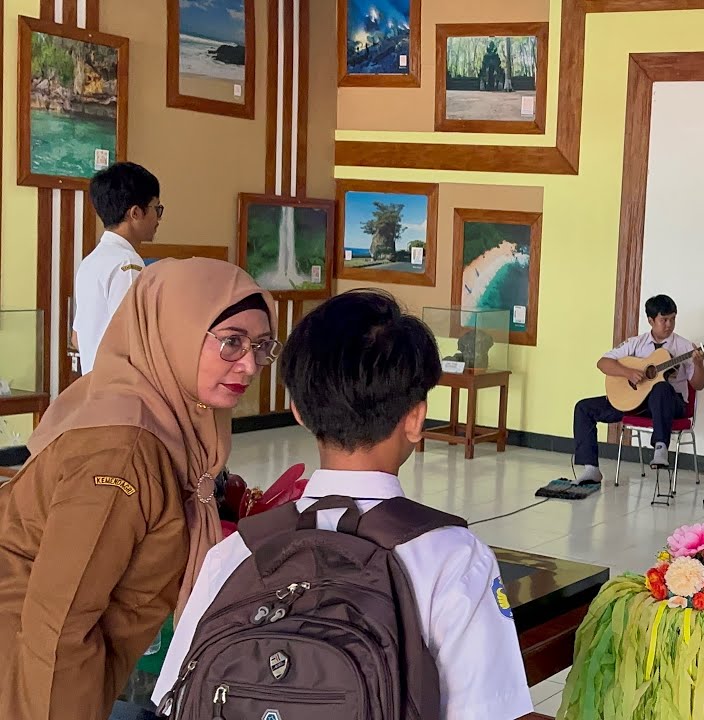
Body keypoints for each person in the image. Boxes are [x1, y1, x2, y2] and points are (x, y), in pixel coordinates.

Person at [152, 289, 534, 720]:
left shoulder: (236, 553)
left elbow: (176, 699)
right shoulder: (453, 560)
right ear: (416, 417)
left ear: (298, 410)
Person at [0, 259, 276, 720]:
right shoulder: (123, 451)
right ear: (176, 334)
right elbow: (59, 626)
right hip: (30, 683)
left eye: (262, 346)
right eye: (231, 342)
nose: (249, 364)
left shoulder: (164, 415)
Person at [572, 294, 704, 483]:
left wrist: (699, 364)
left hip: (671, 404)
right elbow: (602, 363)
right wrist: (627, 373)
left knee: (660, 387)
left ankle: (660, 448)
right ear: (651, 320)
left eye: (673, 319)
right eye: (664, 319)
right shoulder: (636, 343)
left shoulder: (684, 347)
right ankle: (591, 468)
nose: (669, 324)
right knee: (583, 408)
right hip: (638, 403)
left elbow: (698, 385)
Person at [73, 162, 163, 374]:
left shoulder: (91, 261)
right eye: (156, 208)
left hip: (96, 387)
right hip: (122, 391)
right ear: (135, 213)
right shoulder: (127, 262)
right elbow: (134, 339)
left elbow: (77, 338)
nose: (159, 218)